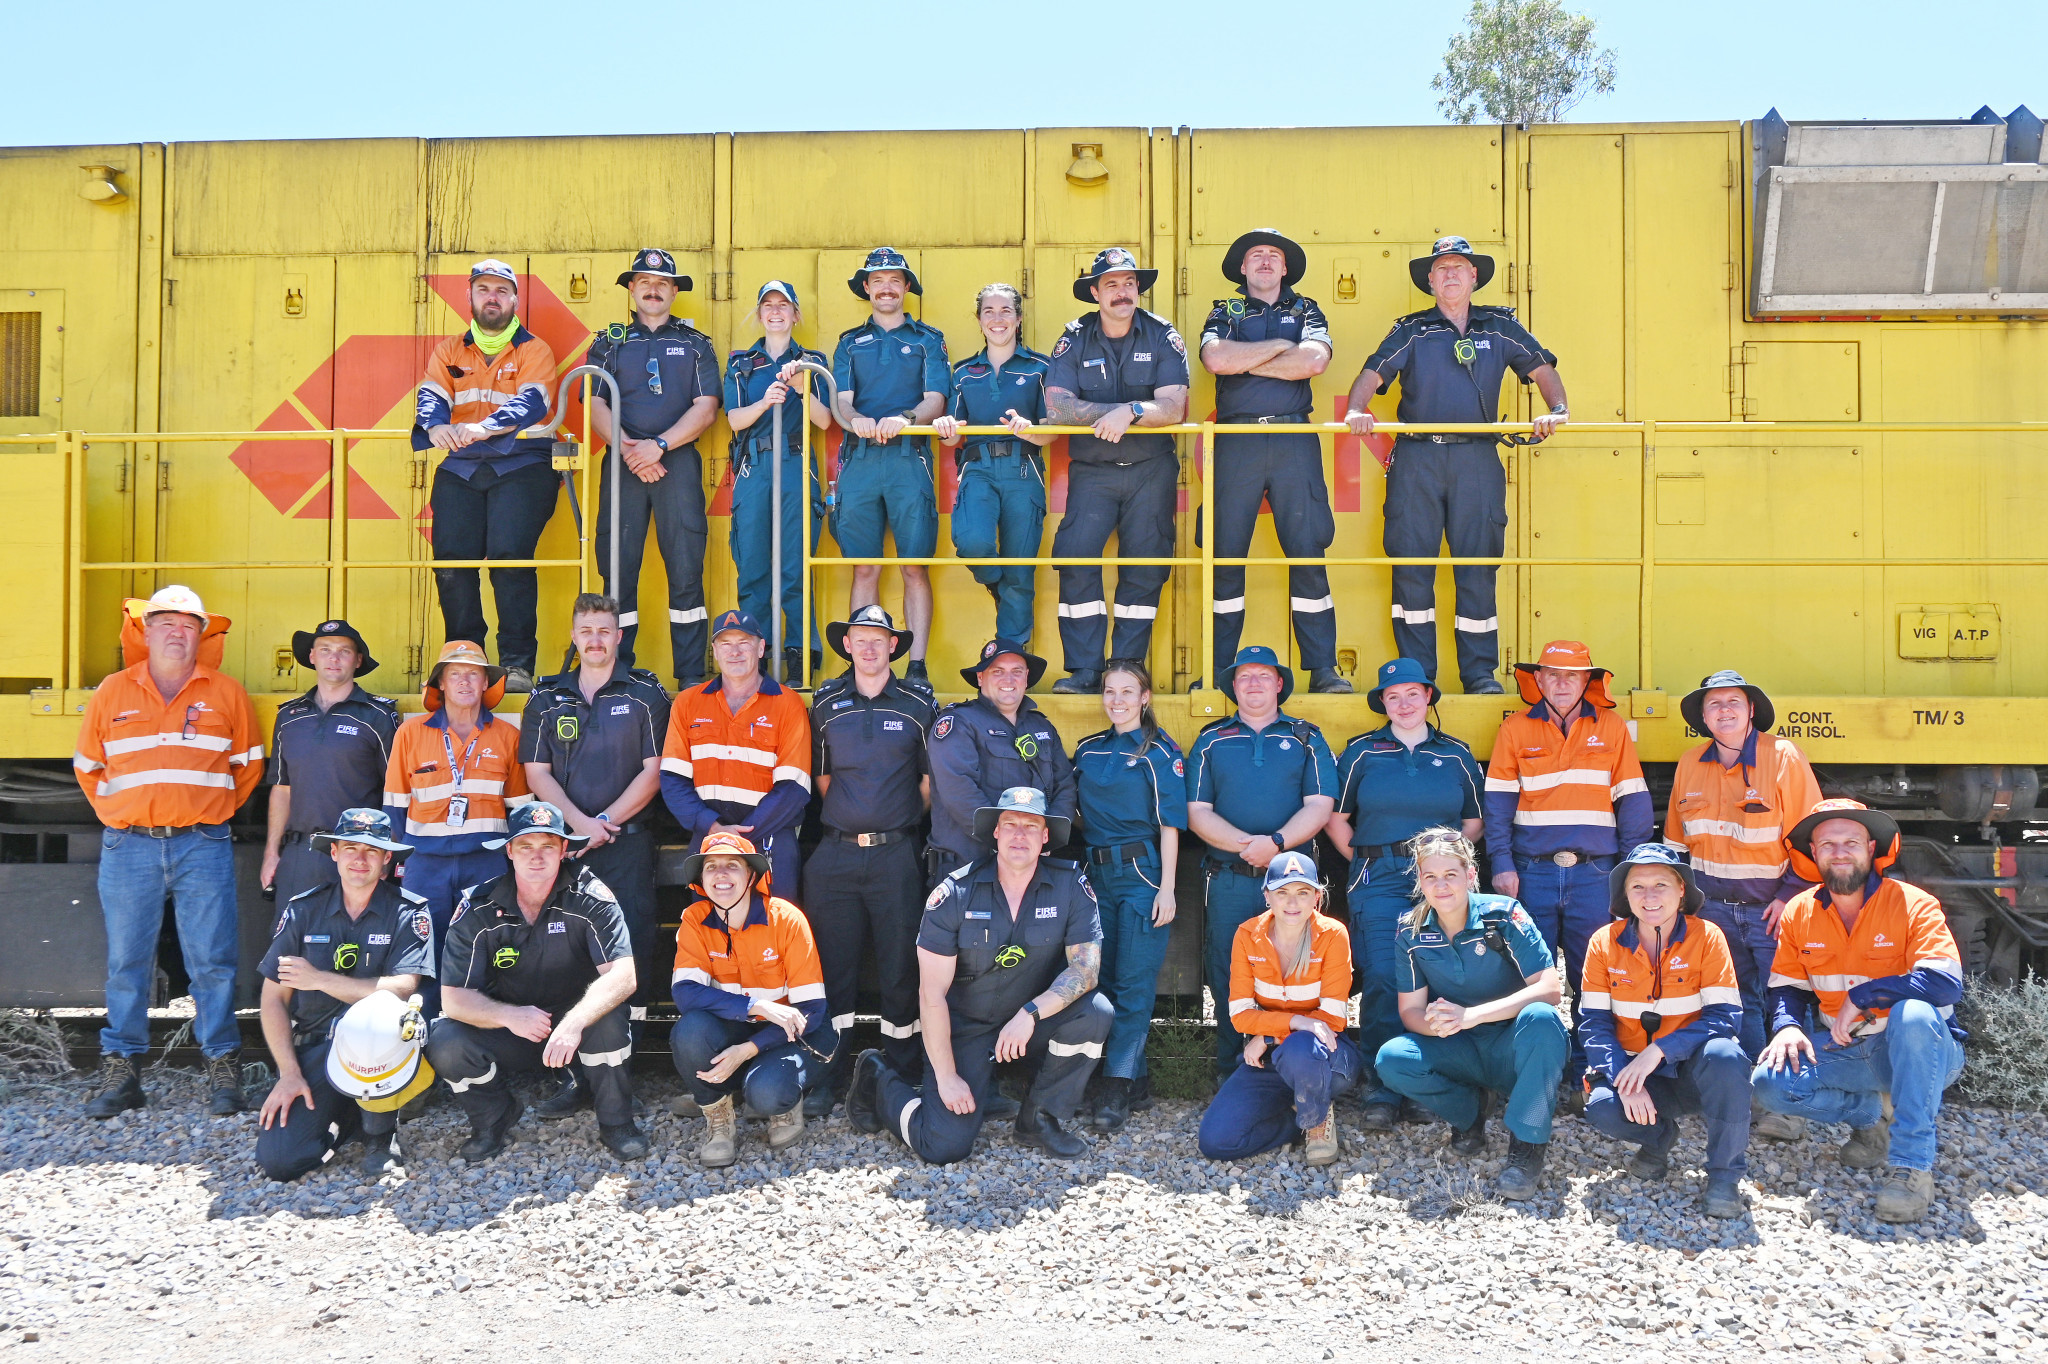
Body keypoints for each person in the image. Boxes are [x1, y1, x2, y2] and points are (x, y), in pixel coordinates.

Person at [1343, 236, 1569, 695]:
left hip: (1476, 459)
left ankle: (1480, 675)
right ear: (1430, 281)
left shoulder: (1500, 329)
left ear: (1474, 278)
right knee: (1411, 568)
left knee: (1477, 567)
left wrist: (1557, 409)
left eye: (1459, 267)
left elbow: (1542, 368)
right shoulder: (1413, 330)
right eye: (1441, 268)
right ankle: (1416, 677)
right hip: (1417, 459)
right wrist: (1355, 410)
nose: (1449, 274)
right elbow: (1371, 374)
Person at [74, 586, 264, 1119]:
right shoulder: (114, 691)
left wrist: (204, 810)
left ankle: (223, 1069)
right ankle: (123, 1073)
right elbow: (88, 767)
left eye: (188, 625)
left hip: (202, 843)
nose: (177, 633)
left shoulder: (226, 693)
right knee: (126, 964)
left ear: (201, 636)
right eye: (166, 623)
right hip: (128, 844)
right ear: (146, 631)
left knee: (213, 962)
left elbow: (248, 767)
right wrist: (123, 815)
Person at [846, 787, 1111, 1162]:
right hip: (964, 1029)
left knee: (1095, 1012)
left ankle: (1038, 1118)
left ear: (1045, 836)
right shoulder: (955, 894)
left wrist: (1030, 1013)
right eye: (1011, 824)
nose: (1021, 835)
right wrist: (948, 1076)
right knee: (943, 1146)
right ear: (996, 833)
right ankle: (878, 1081)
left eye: (1031, 826)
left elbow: (1085, 970)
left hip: (1026, 1022)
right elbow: (931, 996)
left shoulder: (1070, 885)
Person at [1752, 800, 1966, 1224]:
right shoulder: (1799, 911)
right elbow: (1786, 990)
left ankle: (1912, 1168)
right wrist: (1789, 1026)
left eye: (1850, 841)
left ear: (1871, 848)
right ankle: (1872, 1120)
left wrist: (1865, 995)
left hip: (1926, 1052)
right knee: (1771, 1083)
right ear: (1813, 853)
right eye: (1827, 843)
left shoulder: (1912, 903)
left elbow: (1946, 983)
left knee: (1914, 1015)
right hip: (1852, 1051)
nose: (1840, 851)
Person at [427, 802, 647, 1162]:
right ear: (509, 851)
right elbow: (453, 998)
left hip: (576, 1022)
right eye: (526, 847)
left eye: (548, 846)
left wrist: (573, 1024)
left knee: (610, 1019)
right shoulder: (478, 908)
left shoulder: (589, 895)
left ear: (564, 849)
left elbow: (624, 976)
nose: (537, 857)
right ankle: (492, 1118)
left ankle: (617, 1122)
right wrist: (509, 1017)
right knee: (446, 1038)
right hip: (510, 1025)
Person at [1484, 639, 1653, 1083]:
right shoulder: (1515, 729)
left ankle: (1590, 1071)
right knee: (1526, 977)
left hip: (1595, 874)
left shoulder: (1612, 727)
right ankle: (1533, 1071)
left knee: (1595, 976)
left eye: (1572, 675)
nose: (1561, 683)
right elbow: (1498, 805)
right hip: (1531, 871)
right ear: (1537, 679)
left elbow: (1632, 802)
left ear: (1587, 681)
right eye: (1552, 675)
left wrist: (1631, 871)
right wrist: (1501, 862)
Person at [521, 592, 671, 1089]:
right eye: (586, 631)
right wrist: (580, 823)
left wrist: (603, 820)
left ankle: (626, 1068)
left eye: (604, 631)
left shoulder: (646, 696)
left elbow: (655, 772)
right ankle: (571, 1073)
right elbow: (535, 773)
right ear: (573, 636)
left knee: (633, 947)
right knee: (566, 953)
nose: (595, 640)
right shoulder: (546, 699)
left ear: (618, 637)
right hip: (566, 847)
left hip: (626, 845)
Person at [1327, 657, 1484, 1128]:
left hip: (1440, 878)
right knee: (1381, 976)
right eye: (1393, 696)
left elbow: (1474, 821)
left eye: (1413, 693)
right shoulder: (1361, 752)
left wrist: (1445, 864)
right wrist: (1361, 860)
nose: (1404, 703)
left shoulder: (1456, 754)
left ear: (1428, 697)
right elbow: (1337, 818)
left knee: (1440, 977)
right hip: (1380, 875)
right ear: (1383, 703)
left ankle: (1426, 1081)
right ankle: (1383, 1087)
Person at [1376, 827, 1567, 1201]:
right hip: (1460, 1044)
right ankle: (1470, 1117)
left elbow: (1550, 988)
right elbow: (1410, 1011)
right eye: (1430, 876)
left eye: (1451, 874)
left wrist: (1470, 1015)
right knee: (1393, 1058)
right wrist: (1440, 1024)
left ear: (1470, 875)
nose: (1441, 885)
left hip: (1513, 1044)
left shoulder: (1504, 915)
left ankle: (1526, 1147)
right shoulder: (1410, 931)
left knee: (1543, 1019)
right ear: (1419, 881)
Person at [1197, 228, 1348, 694]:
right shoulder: (1225, 311)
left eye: (1274, 256)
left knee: (1308, 552)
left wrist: (1245, 360)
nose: (1264, 262)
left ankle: (1322, 670)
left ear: (1285, 269)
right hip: (1237, 438)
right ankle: (1218, 671)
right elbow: (1214, 359)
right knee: (1224, 556)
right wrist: (1283, 350)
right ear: (1242, 268)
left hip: (1292, 436)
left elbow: (1315, 363)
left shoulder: (1307, 309)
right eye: (1255, 255)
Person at [802, 605, 934, 1114]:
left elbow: (927, 785)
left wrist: (890, 822)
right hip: (834, 855)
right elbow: (823, 779)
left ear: (894, 646)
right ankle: (827, 1074)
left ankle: (899, 1074)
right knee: (833, 969)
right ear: (848, 645)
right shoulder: (826, 703)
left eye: (880, 638)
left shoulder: (920, 704)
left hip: (896, 854)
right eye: (861, 638)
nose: (871, 647)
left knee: (901, 967)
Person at [1666, 670, 1823, 1098]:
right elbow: (1676, 846)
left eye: (1733, 701)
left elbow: (1811, 836)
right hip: (1712, 909)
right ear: (1703, 716)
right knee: (1738, 1003)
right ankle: (1755, 1094)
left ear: (1751, 710)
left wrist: (1790, 896)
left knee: (1788, 1001)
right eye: (1714, 704)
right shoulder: (1688, 763)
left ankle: (1793, 1100)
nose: (1725, 710)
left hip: (1769, 909)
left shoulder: (1784, 756)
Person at [253, 809, 434, 1180]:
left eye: (372, 850)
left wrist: (319, 978)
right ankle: (351, 1117)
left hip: (383, 1045)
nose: (360, 859)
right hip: (319, 1046)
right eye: (351, 847)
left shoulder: (408, 912)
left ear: (387, 859)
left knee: (378, 1017)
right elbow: (273, 998)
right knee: (282, 1162)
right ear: (334, 852)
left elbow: (402, 989)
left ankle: (380, 1137)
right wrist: (289, 1074)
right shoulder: (304, 910)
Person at [1185, 646, 1337, 1081]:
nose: (1253, 683)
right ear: (1233, 688)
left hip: (1292, 886)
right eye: (1244, 677)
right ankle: (1233, 1068)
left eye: (1263, 675)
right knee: (1228, 971)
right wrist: (1247, 847)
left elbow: (1321, 804)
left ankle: (1295, 1063)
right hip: (1231, 877)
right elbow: (1197, 811)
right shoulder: (1212, 739)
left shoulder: (1307, 737)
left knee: (1299, 967)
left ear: (1279, 684)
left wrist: (1276, 845)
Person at [1044, 248, 1191, 693]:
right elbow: (1057, 407)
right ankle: (1086, 671)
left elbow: (1175, 407)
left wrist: (1129, 411)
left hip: (1152, 470)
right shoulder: (1074, 338)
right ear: (1095, 292)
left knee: (1145, 567)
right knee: (1077, 560)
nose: (1122, 292)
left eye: (1129, 283)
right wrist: (1114, 413)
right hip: (1093, 470)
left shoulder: (1163, 335)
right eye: (1111, 284)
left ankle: (1126, 667)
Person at [1579, 843, 1751, 1219]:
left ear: (1682, 893)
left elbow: (1724, 1017)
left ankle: (1725, 1176)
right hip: (1633, 1070)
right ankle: (1659, 1140)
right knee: (1603, 1107)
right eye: (1637, 887)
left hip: (1691, 1070)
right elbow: (1593, 1023)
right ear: (1625, 896)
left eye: (1661, 884)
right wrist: (1624, 1077)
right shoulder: (1603, 943)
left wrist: (1659, 1051)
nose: (1650, 896)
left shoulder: (1708, 937)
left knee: (1727, 1057)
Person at [414, 259, 561, 691]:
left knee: (509, 558)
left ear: (515, 299)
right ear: (471, 297)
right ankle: (464, 659)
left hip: (522, 464)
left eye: (501, 290)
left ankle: (516, 664)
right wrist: (434, 424)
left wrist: (484, 426)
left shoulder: (534, 350)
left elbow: (533, 402)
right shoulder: (448, 350)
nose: (492, 298)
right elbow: (431, 394)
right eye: (484, 290)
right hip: (461, 467)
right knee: (452, 565)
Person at [585, 248, 722, 686]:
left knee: (685, 570)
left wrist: (659, 446)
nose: (653, 289)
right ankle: (616, 674)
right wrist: (631, 451)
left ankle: (690, 678)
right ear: (631, 288)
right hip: (623, 463)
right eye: (644, 281)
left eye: (663, 283)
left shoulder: (697, 344)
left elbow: (707, 408)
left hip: (676, 464)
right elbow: (595, 402)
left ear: (675, 291)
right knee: (617, 571)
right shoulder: (608, 341)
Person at [384, 641, 530, 1019]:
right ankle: (425, 1039)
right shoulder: (410, 734)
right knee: (421, 954)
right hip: (425, 866)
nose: (464, 682)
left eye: (473, 674)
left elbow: (519, 811)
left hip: (487, 866)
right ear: (441, 684)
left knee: (488, 951)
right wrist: (399, 864)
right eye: (454, 674)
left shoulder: (508, 737)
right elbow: (395, 808)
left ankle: (479, 1041)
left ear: (486, 684)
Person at [670, 832, 834, 1166]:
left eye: (733, 865)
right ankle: (718, 1117)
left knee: (766, 1096)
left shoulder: (786, 918)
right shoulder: (694, 920)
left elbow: (811, 1010)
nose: (721, 874)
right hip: (735, 1027)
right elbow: (685, 993)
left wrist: (749, 1049)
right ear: (701, 880)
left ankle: (782, 1103)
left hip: (791, 1036)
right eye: (711, 867)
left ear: (751, 877)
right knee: (689, 1031)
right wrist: (753, 1007)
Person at [1070, 659, 1186, 1131]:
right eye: (1109, 692)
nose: (1117, 701)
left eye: (1127, 692)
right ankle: (1133, 1080)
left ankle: (1114, 1088)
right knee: (1100, 981)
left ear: (1145, 698)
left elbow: (1171, 825)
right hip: (1097, 874)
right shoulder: (1087, 750)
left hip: (1143, 875)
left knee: (1134, 987)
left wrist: (1168, 889)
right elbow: (1074, 811)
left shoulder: (1159, 752)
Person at [830, 246, 951, 688]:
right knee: (865, 568)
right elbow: (841, 402)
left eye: (894, 280)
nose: (885, 287)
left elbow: (935, 398)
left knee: (914, 567)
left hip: (909, 458)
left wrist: (905, 420)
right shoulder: (848, 342)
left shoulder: (928, 340)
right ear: (866, 288)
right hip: (860, 461)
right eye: (877, 280)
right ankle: (860, 664)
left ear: (905, 288)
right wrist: (854, 419)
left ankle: (915, 667)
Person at [1197, 852, 1360, 1165]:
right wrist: (1294, 1023)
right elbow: (1241, 1014)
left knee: (1302, 1047)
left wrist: (1270, 1036)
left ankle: (1316, 1120)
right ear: (1267, 895)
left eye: (1302, 892)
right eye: (1282, 892)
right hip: (1269, 1060)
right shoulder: (1247, 935)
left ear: (1317, 896)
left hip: (1325, 1055)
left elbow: (1332, 1019)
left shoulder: (1333, 934)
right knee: (1217, 1141)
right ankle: (1295, 1118)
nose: (1292, 903)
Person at [932, 282, 1055, 646]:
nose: (997, 319)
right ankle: (997, 586)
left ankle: (1011, 653)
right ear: (979, 319)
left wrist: (1030, 431)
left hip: (1024, 469)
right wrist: (944, 428)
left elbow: (1054, 432)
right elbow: (953, 436)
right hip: (978, 470)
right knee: (972, 541)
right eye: (989, 311)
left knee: (1021, 571)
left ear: (1018, 319)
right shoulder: (964, 371)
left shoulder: (1040, 368)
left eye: (1005, 311)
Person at [660, 609, 812, 896]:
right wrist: (713, 827)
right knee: (710, 932)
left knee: (773, 930)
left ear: (761, 648)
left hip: (770, 840)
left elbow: (794, 786)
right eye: (726, 644)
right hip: (708, 839)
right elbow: (672, 779)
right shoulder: (687, 703)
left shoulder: (787, 704)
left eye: (744, 642)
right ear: (715, 651)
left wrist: (739, 837)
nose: (735, 651)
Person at [724, 279, 832, 680]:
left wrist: (803, 388)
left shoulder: (812, 361)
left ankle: (800, 657)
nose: (775, 312)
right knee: (752, 566)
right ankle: (754, 655)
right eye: (767, 305)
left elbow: (825, 420)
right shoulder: (741, 362)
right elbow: (734, 420)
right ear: (759, 313)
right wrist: (764, 401)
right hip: (754, 467)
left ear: (795, 314)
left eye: (783, 305)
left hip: (796, 464)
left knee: (795, 567)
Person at [262, 619, 400, 908]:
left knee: (352, 947)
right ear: (312, 657)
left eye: (344, 651)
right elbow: (281, 789)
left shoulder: (378, 716)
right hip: (300, 852)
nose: (333, 658)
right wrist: (271, 853)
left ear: (358, 660)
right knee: (290, 946)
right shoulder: (289, 717)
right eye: (324, 649)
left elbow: (395, 793)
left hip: (357, 852)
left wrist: (390, 855)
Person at [926, 639, 1076, 882]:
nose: (1009, 680)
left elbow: (1065, 787)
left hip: (1032, 867)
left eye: (1017, 672)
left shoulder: (1042, 727)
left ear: (1026, 678)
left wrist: (1049, 836)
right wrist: (1007, 842)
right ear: (980, 678)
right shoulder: (959, 724)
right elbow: (959, 791)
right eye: (997, 672)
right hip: (969, 868)